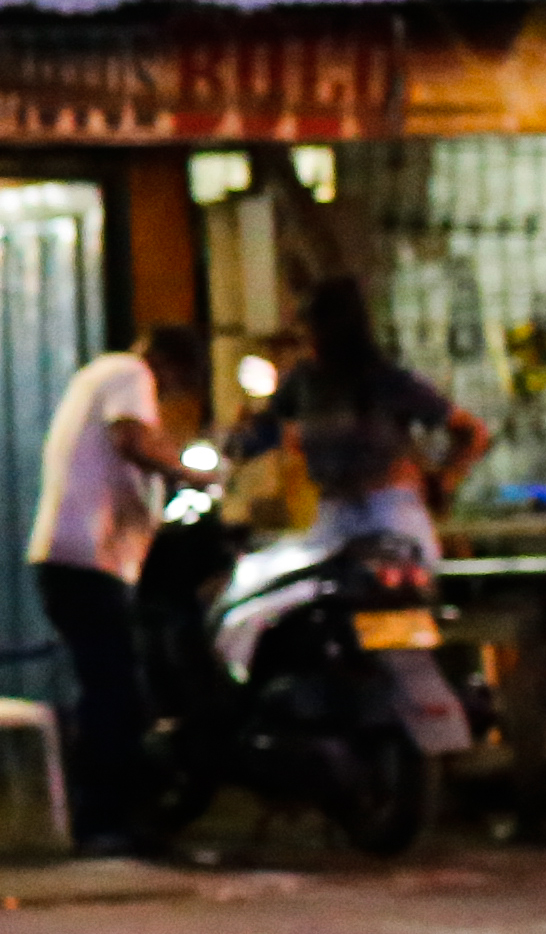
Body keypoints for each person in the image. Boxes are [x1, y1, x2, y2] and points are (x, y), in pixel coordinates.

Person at [27, 321, 208, 864]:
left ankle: (118, 815)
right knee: (114, 691)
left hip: (79, 559)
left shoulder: (98, 376)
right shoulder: (128, 373)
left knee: (115, 685)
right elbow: (131, 438)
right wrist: (194, 473)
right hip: (84, 559)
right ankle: (103, 822)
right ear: (167, 365)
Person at [226, 276, 491, 568]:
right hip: (333, 512)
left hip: (388, 509)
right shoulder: (303, 384)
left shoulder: (385, 380)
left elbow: (471, 432)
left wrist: (445, 479)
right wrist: (233, 446)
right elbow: (263, 431)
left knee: (399, 591)